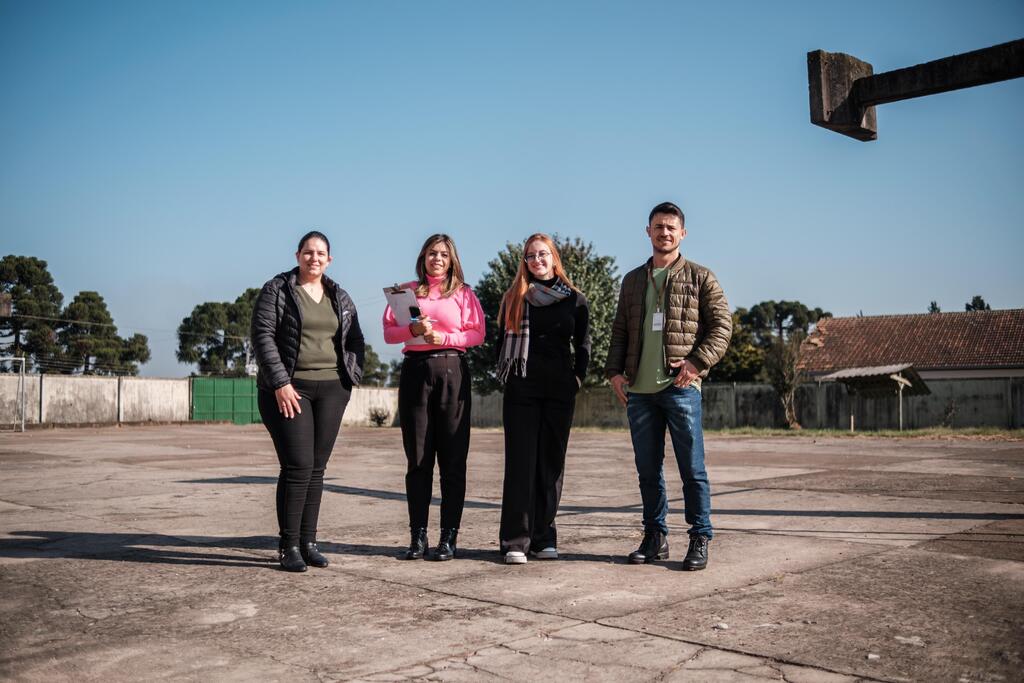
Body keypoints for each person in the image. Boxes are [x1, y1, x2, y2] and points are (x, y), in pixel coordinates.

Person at [605, 202, 731, 571]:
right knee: (648, 471)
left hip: (680, 389)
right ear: (648, 231)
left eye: (671, 228)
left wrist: (697, 362)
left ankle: (700, 537)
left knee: (692, 469)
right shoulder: (632, 280)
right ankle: (654, 537)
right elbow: (620, 332)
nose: (665, 233)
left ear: (683, 233)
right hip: (639, 392)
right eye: (658, 227)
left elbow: (722, 327)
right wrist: (614, 372)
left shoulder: (701, 277)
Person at [251, 230, 365, 572]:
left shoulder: (339, 296)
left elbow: (356, 339)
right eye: (308, 252)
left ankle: (309, 542)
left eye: (321, 253)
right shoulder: (278, 290)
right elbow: (262, 337)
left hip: (332, 389)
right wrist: (281, 382)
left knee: (316, 469)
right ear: (298, 255)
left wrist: (350, 377)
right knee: (298, 465)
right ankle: (288, 546)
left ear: (329, 259)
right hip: (290, 389)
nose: (314, 258)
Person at [382, 234, 484, 561]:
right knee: (418, 459)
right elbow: (388, 333)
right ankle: (418, 536)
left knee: (453, 460)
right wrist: (411, 332)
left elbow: (477, 333)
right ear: (423, 257)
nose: (436, 259)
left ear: (452, 259)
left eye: (442, 254)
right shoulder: (406, 292)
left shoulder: (464, 293)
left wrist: (444, 335)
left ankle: (449, 538)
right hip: (416, 372)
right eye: (431, 253)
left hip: (452, 371)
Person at [497, 234, 590, 565]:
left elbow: (583, 345)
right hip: (522, 390)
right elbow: (500, 346)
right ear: (525, 262)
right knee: (521, 465)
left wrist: (576, 378)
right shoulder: (514, 298)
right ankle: (515, 541)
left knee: (550, 466)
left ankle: (543, 537)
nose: (537, 260)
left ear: (554, 258)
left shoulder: (575, 300)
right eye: (531, 256)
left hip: (559, 391)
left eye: (542, 254)